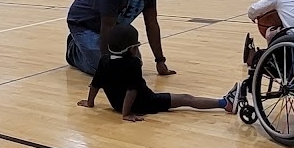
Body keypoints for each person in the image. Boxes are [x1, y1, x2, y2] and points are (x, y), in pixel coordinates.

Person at [77, 24, 232, 122]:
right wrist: (126, 113)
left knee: (183, 99)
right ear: (132, 49)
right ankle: (225, 103)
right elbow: (132, 91)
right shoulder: (133, 63)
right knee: (187, 99)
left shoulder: (104, 60)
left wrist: (90, 103)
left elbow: (95, 84)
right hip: (145, 102)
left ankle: (225, 102)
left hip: (117, 104)